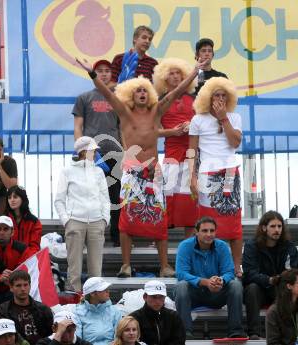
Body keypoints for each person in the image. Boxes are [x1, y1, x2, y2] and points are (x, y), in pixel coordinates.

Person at [76, 54, 207, 279]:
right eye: (138, 91)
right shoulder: (124, 112)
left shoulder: (157, 111)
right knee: (127, 221)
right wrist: (92, 74)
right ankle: (126, 265)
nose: (143, 93)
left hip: (153, 172)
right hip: (131, 171)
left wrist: (194, 72)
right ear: (130, 95)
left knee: (159, 218)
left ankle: (165, 265)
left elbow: (175, 92)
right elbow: (107, 92)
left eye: (145, 90)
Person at [188, 76, 243, 277]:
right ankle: (207, 267)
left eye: (223, 95)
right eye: (216, 95)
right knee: (207, 224)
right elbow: (192, 151)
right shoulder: (197, 119)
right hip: (206, 174)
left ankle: (237, 267)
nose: (220, 98)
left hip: (230, 172)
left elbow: (235, 143)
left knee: (234, 224)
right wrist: (192, 177)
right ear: (207, 97)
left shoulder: (234, 117)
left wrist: (223, 118)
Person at [72, 59, 123, 247]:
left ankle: (116, 237)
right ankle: (90, 237)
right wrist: (81, 149)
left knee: (115, 197)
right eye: (99, 70)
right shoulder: (84, 97)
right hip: (93, 155)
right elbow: (78, 126)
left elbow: (123, 128)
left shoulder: (118, 98)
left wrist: (125, 153)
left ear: (112, 75)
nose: (103, 74)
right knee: (90, 196)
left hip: (115, 154)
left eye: (107, 71)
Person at [175, 216, 246, 339]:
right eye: (204, 231)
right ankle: (185, 333)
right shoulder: (185, 246)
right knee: (181, 286)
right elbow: (181, 273)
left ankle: (235, 331)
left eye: (212, 231)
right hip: (194, 295)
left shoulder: (222, 246)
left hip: (216, 293)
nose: (209, 234)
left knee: (235, 285)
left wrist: (220, 281)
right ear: (196, 232)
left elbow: (229, 272)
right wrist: (204, 282)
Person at [54, 136, 110, 292]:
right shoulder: (67, 171)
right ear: (84, 152)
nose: (96, 154)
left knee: (96, 269)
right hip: (75, 221)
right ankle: (74, 300)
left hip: (97, 221)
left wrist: (104, 219)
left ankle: (95, 300)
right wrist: (67, 221)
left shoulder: (99, 171)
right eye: (93, 151)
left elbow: (105, 198)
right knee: (74, 269)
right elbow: (59, 200)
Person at [154, 58, 198, 235]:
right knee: (166, 198)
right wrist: (172, 132)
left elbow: (204, 126)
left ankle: (191, 246)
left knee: (190, 202)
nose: (175, 76)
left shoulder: (196, 100)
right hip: (171, 153)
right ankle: (160, 246)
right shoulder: (160, 101)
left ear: (184, 76)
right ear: (164, 77)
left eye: (178, 72)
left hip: (191, 154)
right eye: (170, 73)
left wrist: (192, 125)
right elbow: (154, 130)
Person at [242, 211, 298, 340]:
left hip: (279, 288)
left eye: (279, 226)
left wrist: (279, 280)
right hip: (260, 289)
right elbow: (250, 273)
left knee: (289, 289)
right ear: (264, 228)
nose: (277, 230)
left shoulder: (289, 247)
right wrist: (269, 280)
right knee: (252, 288)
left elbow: (293, 272)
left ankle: (288, 336)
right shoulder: (252, 246)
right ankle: (254, 333)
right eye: (273, 226)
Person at [0, 270, 53, 345]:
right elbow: (1, 338)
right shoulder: (2, 311)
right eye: (18, 285)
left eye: (25, 285)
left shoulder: (43, 309)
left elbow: (52, 335)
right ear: (11, 288)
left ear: (30, 286)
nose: (23, 289)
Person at [130, 280, 185, 345]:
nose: (158, 301)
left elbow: (179, 341)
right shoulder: (134, 318)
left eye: (161, 297)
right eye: (154, 297)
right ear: (145, 297)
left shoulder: (174, 316)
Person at [74, 277, 122, 345]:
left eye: (107, 289)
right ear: (93, 294)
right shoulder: (77, 312)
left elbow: (119, 338)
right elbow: (77, 340)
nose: (108, 291)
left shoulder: (115, 311)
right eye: (104, 289)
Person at [5, 186, 42, 256]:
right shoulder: (3, 220)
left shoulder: (34, 222)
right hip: (7, 261)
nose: (12, 200)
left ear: (23, 199)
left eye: (15, 197)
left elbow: (34, 247)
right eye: (9, 198)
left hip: (27, 261)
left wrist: (24, 260)